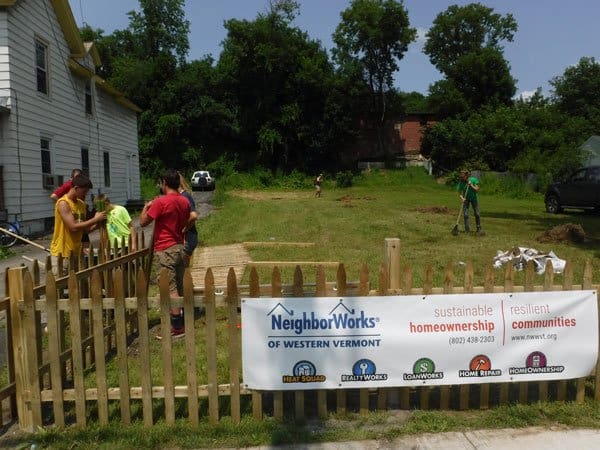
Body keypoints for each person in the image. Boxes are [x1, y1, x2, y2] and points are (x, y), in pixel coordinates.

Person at [140, 168, 191, 340]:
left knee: (170, 288)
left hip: (165, 248)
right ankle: (183, 320)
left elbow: (143, 222)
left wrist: (146, 207)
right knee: (179, 285)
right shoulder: (184, 202)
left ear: (164, 183)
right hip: (179, 246)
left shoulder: (161, 202)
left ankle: (177, 327)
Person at [49, 174, 106, 274]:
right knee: (61, 287)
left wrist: (97, 225)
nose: (85, 194)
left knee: (76, 286)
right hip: (62, 253)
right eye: (84, 191)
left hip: (77, 252)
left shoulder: (81, 204)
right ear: (76, 188)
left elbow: (85, 230)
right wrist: (95, 219)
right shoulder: (63, 203)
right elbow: (73, 227)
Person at [178, 173, 198, 267]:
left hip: (188, 238)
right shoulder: (182, 196)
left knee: (183, 269)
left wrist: (184, 229)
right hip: (187, 237)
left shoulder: (184, 196)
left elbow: (193, 216)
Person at [457, 169, 483, 235]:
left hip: (474, 199)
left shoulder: (473, 180)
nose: (461, 178)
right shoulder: (461, 183)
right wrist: (462, 198)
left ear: (466, 176)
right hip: (466, 199)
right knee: (465, 214)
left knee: (477, 213)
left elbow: (477, 190)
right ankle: (467, 229)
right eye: (461, 177)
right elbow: (459, 193)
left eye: (463, 177)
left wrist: (471, 185)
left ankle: (478, 228)